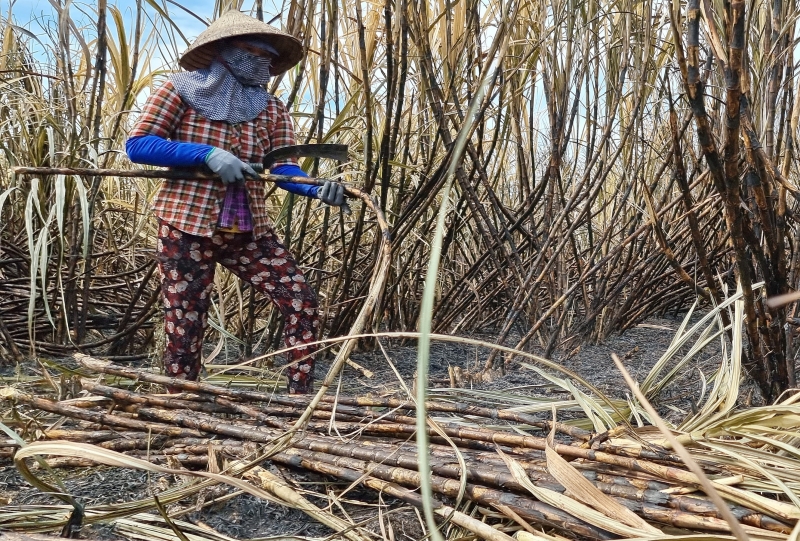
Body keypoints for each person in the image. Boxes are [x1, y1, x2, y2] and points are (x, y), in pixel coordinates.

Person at [126, 10, 345, 394]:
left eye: (270, 57)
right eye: (257, 53)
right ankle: (182, 403)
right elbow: (139, 145)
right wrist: (206, 155)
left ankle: (298, 396)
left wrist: (315, 188)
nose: (267, 63)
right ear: (227, 52)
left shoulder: (272, 108)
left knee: (301, 301)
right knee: (186, 317)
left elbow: (284, 168)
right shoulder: (178, 90)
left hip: (249, 229)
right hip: (186, 225)